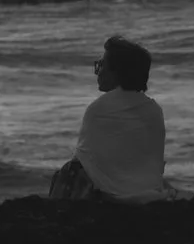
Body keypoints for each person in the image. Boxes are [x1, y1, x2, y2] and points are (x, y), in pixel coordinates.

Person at [46, 35, 170, 202]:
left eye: (103, 64)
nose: (99, 69)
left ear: (116, 72)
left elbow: (84, 162)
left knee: (69, 170)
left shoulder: (98, 109)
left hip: (112, 197)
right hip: (148, 193)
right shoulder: (154, 110)